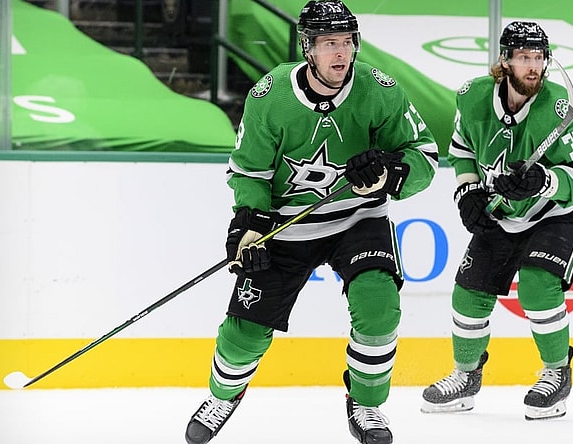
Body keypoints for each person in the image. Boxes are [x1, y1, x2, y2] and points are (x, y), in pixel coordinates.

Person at [183, 2, 438, 443]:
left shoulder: (381, 91)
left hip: (357, 219)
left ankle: (366, 404)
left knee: (379, 309)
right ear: (308, 48)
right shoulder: (271, 95)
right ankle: (224, 395)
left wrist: (387, 173)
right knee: (245, 329)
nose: (340, 53)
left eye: (346, 42)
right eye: (328, 44)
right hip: (286, 226)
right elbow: (250, 171)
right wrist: (248, 226)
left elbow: (424, 156)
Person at [420, 21, 573, 421]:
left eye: (539, 57)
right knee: (468, 292)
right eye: (524, 57)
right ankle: (466, 378)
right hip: (503, 213)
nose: (533, 66)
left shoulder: (559, 108)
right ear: (505, 60)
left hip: (557, 213)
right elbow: (461, 149)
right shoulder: (473, 97)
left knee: (537, 287)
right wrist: (467, 192)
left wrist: (542, 180)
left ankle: (556, 373)